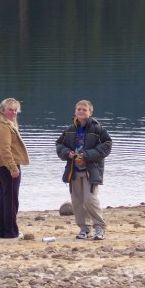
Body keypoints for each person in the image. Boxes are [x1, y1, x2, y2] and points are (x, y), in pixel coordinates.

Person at [56, 100, 112, 240]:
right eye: (79, 109)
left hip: (91, 170)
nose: (81, 111)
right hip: (73, 171)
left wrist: (86, 155)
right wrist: (66, 153)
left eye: (84, 110)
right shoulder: (69, 129)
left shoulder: (97, 129)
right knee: (77, 201)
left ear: (90, 112)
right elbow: (59, 145)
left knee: (90, 199)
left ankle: (99, 228)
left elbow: (107, 145)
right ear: (75, 111)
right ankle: (83, 229)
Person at [0, 98, 29, 238]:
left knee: (3, 198)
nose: (14, 112)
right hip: (5, 166)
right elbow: (5, 150)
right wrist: (13, 168)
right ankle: (10, 232)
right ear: (2, 110)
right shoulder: (3, 126)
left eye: (16, 110)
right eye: (11, 109)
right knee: (11, 200)